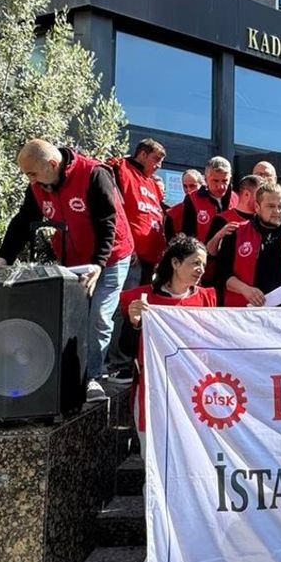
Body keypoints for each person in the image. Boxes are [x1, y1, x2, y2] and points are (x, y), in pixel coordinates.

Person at [0, 139, 133, 403]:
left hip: (111, 256)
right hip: (72, 257)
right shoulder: (37, 186)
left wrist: (98, 264)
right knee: (71, 316)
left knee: (99, 317)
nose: (30, 180)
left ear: (52, 164)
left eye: (32, 173)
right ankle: (67, 375)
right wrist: (3, 259)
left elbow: (108, 221)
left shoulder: (93, 174)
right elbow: (23, 222)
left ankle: (91, 377)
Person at [119, 235, 217, 447]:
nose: (201, 269)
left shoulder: (207, 298)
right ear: (175, 263)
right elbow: (124, 350)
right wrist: (134, 323)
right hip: (154, 389)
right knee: (154, 452)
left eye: (204, 264)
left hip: (194, 390)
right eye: (195, 263)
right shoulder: (142, 298)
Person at [104, 138, 168, 382]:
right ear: (141, 154)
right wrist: (126, 245)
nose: (159, 165)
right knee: (122, 309)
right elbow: (115, 210)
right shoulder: (120, 169)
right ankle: (114, 363)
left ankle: (129, 360)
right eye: (156, 159)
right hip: (129, 257)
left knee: (139, 312)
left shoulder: (151, 183)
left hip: (150, 261)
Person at [219, 182, 281, 307]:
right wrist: (245, 289)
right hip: (246, 312)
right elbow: (222, 274)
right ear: (257, 207)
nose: (277, 211)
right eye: (271, 206)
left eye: (280, 206)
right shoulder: (236, 233)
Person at [167, 157, 237, 243]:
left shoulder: (236, 199)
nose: (220, 186)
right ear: (206, 180)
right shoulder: (193, 199)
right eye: (215, 181)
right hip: (202, 253)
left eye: (224, 181)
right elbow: (187, 234)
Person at [205, 174, 261, 259]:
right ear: (246, 194)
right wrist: (219, 235)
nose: (263, 200)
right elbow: (208, 252)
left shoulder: (262, 220)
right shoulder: (222, 219)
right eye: (260, 196)